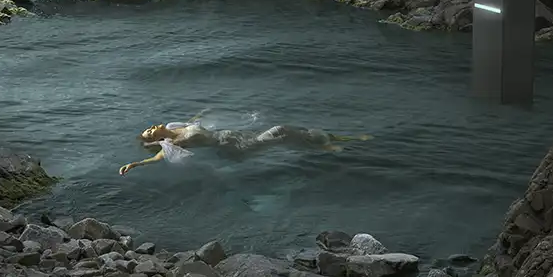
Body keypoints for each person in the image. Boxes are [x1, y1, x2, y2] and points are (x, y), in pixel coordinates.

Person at [117, 119, 368, 174]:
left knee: (293, 132)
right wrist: (135, 164)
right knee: (281, 131)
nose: (150, 127)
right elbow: (161, 157)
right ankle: (325, 148)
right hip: (237, 147)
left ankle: (339, 138)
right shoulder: (172, 141)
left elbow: (196, 121)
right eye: (148, 132)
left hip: (235, 135)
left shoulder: (177, 124)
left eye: (149, 127)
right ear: (155, 138)